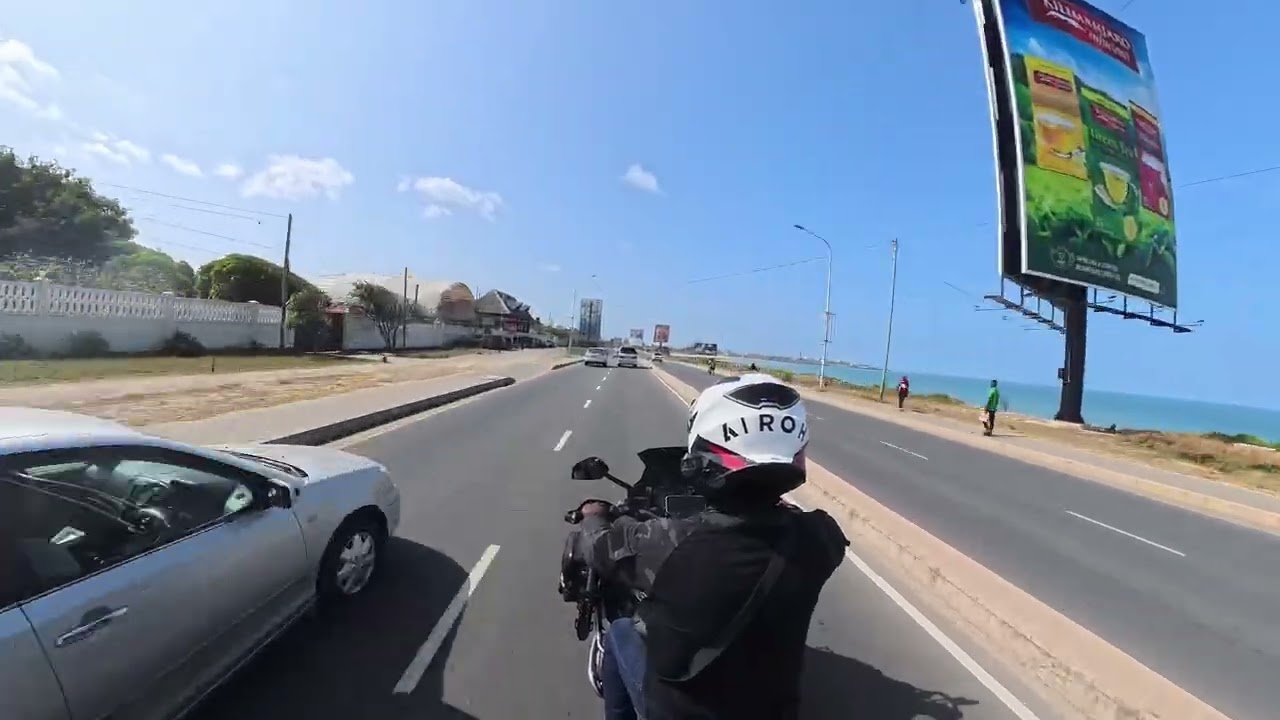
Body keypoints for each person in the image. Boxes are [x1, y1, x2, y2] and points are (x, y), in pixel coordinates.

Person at [575, 374, 850, 720]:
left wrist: (593, 515)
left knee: (619, 632)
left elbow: (600, 547)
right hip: (773, 712)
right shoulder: (821, 537)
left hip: (679, 713)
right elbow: (797, 523)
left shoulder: (668, 543)